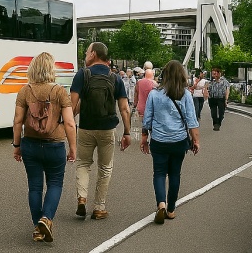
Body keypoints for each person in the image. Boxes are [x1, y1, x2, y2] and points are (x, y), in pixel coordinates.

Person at [13, 52, 77, 243]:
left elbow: (17, 121)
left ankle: (38, 228)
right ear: (51, 69)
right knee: (55, 183)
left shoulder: (24, 91)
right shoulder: (59, 91)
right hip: (54, 146)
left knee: (34, 186)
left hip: (30, 145)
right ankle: (46, 218)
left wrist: (16, 145)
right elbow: (70, 123)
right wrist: (72, 147)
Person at [70, 42, 131, 220]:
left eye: (87, 52)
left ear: (94, 54)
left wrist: (67, 125)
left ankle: (82, 198)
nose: (86, 55)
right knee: (104, 167)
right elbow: (124, 108)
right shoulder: (115, 78)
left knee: (83, 164)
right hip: (107, 129)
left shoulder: (83, 74)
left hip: (86, 128)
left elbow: (72, 105)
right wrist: (127, 132)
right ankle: (99, 207)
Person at [140, 60, 200, 224]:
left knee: (159, 173)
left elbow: (147, 119)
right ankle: (171, 209)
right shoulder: (185, 94)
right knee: (175, 174)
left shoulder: (154, 94)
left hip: (159, 140)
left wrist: (144, 138)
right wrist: (196, 141)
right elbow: (192, 120)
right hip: (179, 141)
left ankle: (161, 203)